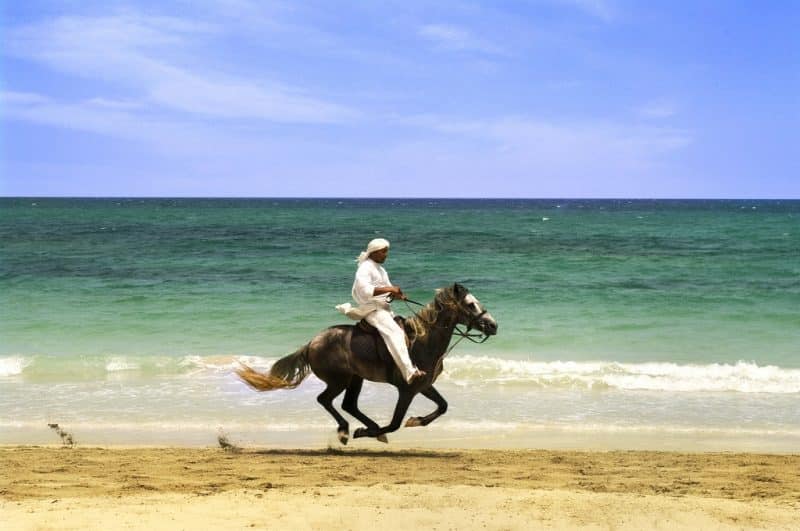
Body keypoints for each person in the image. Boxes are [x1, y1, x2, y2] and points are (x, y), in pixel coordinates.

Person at [336, 238, 426, 384]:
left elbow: (387, 297)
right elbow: (364, 291)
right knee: (395, 333)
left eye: (386, 252)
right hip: (373, 311)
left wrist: (397, 296)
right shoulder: (365, 268)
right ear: (374, 252)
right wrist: (390, 289)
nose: (386, 255)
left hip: (384, 309)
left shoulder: (381, 270)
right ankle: (409, 372)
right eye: (384, 252)